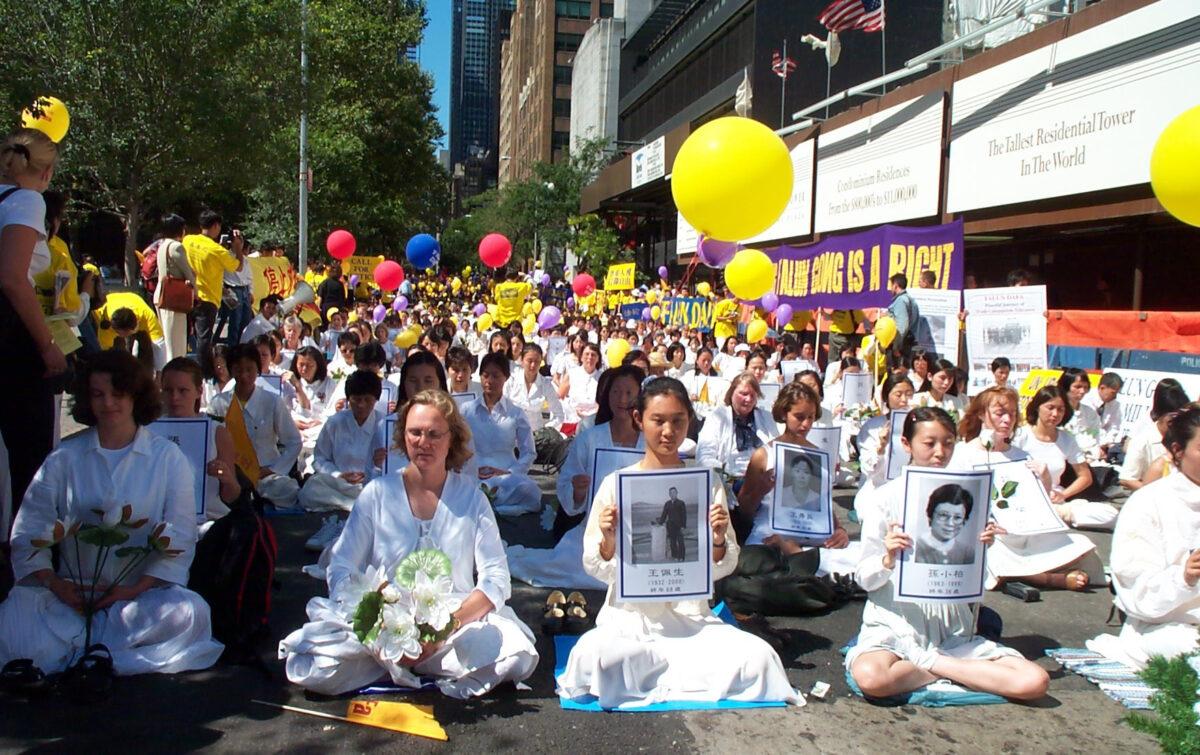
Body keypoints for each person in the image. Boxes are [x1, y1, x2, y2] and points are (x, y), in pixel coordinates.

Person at [557, 377, 800, 708]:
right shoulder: (617, 485)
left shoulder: (705, 483)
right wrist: (609, 540)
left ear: (689, 421)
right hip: (632, 619)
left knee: (759, 660)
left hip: (692, 619)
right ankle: (663, 670)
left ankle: (664, 672)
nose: (668, 432)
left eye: (677, 421)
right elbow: (595, 564)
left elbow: (723, 561)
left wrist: (716, 540)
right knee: (595, 659)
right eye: (658, 421)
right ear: (639, 419)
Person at [279, 390, 539, 697]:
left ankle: (412, 666)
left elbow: (495, 578)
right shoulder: (377, 493)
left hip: (452, 627)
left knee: (516, 653)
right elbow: (342, 564)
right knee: (312, 661)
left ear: (451, 439)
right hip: (383, 625)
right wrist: (376, 625)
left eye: (434, 434)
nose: (423, 442)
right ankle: (401, 663)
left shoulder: (472, 498)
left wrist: (443, 631)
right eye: (415, 432)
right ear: (403, 437)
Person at [0, 350, 223, 675]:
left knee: (192, 612)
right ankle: (99, 650)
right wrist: (57, 585)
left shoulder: (167, 458)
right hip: (70, 598)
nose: (108, 404)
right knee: (13, 618)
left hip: (135, 598)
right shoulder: (65, 456)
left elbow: (182, 535)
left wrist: (133, 589)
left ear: (135, 396)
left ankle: (80, 651)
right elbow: (27, 532)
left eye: (118, 394)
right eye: (98, 394)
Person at [847, 407, 1049, 701]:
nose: (940, 452)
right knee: (872, 676)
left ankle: (935, 664)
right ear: (907, 445)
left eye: (948, 443)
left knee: (1034, 681)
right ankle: (955, 669)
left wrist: (982, 548)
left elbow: (975, 581)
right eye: (929, 443)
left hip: (951, 623)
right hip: (897, 618)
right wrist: (887, 559)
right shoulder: (885, 498)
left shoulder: (969, 494)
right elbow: (864, 578)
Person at [507, 366, 645, 591]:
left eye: (629, 393)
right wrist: (578, 492)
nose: (622, 399)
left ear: (640, 396)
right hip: (594, 530)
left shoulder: (649, 442)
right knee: (583, 571)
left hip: (638, 535)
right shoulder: (591, 439)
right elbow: (567, 484)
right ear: (606, 395)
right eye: (616, 392)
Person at [951, 386, 1100, 592]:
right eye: (999, 413)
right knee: (994, 555)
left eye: (1012, 414)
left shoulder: (1022, 455)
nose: (1007, 420)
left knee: (1081, 544)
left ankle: (1033, 570)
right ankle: (1051, 579)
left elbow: (1039, 502)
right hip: (992, 535)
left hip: (1025, 532)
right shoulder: (963, 453)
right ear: (980, 414)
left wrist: (1045, 478)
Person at [721, 382, 851, 617]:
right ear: (784, 413)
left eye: (811, 417)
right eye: (799, 417)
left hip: (808, 531)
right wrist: (762, 488)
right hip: (769, 529)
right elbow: (744, 511)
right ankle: (805, 572)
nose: (806, 424)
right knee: (751, 564)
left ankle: (802, 568)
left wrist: (839, 529)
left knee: (856, 558)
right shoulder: (765, 455)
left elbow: (823, 503)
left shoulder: (819, 456)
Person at [1087, 404, 1200, 669]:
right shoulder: (1148, 502)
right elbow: (1137, 594)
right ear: (1177, 451)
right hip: (1163, 628)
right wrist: (1185, 576)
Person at [0, 129, 66, 525]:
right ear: (46, 172)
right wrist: (46, 344)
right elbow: (11, 277)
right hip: (11, 339)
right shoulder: (27, 201)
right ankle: (31, 552)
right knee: (30, 455)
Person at [208, 344, 302, 508]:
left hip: (265, 475)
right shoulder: (219, 403)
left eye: (249, 369)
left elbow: (294, 441)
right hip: (230, 475)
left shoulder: (272, 401)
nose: (244, 375)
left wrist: (273, 470)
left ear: (258, 369)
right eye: (238, 369)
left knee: (289, 489)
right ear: (231, 370)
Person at [1014, 386, 1116, 529]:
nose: (1055, 414)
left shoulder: (1067, 440)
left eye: (1060, 409)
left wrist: (1062, 495)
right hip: (1022, 499)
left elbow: (1085, 477)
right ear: (1037, 407)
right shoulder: (1019, 436)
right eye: (1050, 407)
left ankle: (1058, 515)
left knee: (1110, 514)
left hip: (1055, 501)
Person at [160, 357, 241, 523]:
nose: (175, 397)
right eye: (168, 390)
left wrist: (225, 476)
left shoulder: (216, 432)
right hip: (161, 518)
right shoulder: (149, 431)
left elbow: (231, 495)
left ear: (199, 391)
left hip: (207, 519)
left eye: (183, 390)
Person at [299, 370, 383, 513]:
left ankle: (356, 506)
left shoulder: (384, 424)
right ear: (348, 399)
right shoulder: (335, 422)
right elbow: (319, 459)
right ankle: (356, 507)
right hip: (339, 485)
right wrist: (338, 475)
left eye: (367, 400)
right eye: (356, 399)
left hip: (372, 486)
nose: (361, 405)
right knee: (312, 487)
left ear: (376, 399)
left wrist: (378, 467)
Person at [184, 211, 244, 373]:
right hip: (208, 299)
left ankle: (182, 366)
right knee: (204, 339)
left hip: (187, 295)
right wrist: (237, 247)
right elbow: (238, 266)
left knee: (185, 335)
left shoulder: (188, 240)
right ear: (216, 226)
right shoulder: (217, 251)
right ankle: (204, 374)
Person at [696, 373, 779, 480]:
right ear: (731, 393)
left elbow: (776, 452)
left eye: (753, 395)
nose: (748, 399)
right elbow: (704, 455)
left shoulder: (766, 417)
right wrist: (724, 473)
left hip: (762, 480)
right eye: (744, 394)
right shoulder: (717, 417)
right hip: (728, 479)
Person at [505, 343, 568, 469]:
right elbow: (501, 409)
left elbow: (559, 414)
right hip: (511, 439)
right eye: (529, 361)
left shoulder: (545, 384)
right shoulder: (511, 381)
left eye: (537, 362)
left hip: (536, 441)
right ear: (522, 360)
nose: (533, 365)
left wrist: (544, 432)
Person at [1119, 379, 1189, 491]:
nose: (1176, 425)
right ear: (1160, 416)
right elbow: (1126, 479)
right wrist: (1153, 493)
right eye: (1171, 421)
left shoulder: (1187, 437)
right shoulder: (1142, 440)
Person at [151, 214, 194, 362]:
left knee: (168, 341)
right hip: (174, 298)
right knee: (176, 346)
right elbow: (189, 274)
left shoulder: (162, 245)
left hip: (162, 294)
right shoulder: (176, 247)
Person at [93, 291, 167, 370]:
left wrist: (159, 376)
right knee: (117, 354)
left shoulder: (146, 316)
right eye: (120, 333)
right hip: (103, 309)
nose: (124, 336)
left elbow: (159, 346)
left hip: (133, 301)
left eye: (126, 333)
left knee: (146, 349)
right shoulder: (106, 325)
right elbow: (105, 354)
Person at [912, 485, 978, 565]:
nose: (950, 523)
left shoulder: (968, 552)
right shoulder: (914, 548)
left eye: (957, 517)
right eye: (943, 515)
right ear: (930, 515)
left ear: (964, 520)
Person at [1058, 368, 1103, 462]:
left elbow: (1095, 437)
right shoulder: (1056, 412)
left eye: (1085, 387)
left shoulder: (1090, 413)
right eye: (1077, 387)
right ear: (1066, 386)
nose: (1082, 391)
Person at [558, 341, 602, 424]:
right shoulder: (571, 374)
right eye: (587, 354)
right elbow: (560, 397)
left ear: (598, 358)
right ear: (581, 357)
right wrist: (572, 410)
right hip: (573, 419)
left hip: (595, 420)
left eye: (593, 355)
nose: (590, 357)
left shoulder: (603, 377)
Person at [1083, 372, 1124, 455]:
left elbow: (1114, 426)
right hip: (1085, 442)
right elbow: (1089, 427)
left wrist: (1108, 443)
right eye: (1113, 393)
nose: (1115, 396)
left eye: (1116, 393)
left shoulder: (1115, 404)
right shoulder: (1086, 400)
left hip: (1104, 445)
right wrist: (1101, 444)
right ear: (1102, 388)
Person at [885, 274, 921, 370]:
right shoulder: (910, 300)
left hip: (900, 345)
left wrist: (896, 346)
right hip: (907, 343)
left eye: (891, 286)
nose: (890, 289)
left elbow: (902, 325)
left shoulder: (901, 301)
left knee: (897, 374)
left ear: (896, 285)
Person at [655, 486, 687, 561]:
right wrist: (660, 523)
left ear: (676, 493)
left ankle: (682, 557)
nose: (672, 494)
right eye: (671, 493)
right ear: (669, 494)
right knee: (672, 543)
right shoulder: (667, 504)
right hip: (670, 526)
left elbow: (684, 515)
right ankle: (675, 556)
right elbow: (664, 515)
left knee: (681, 542)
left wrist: (683, 526)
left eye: (674, 492)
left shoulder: (681, 503)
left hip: (679, 526)